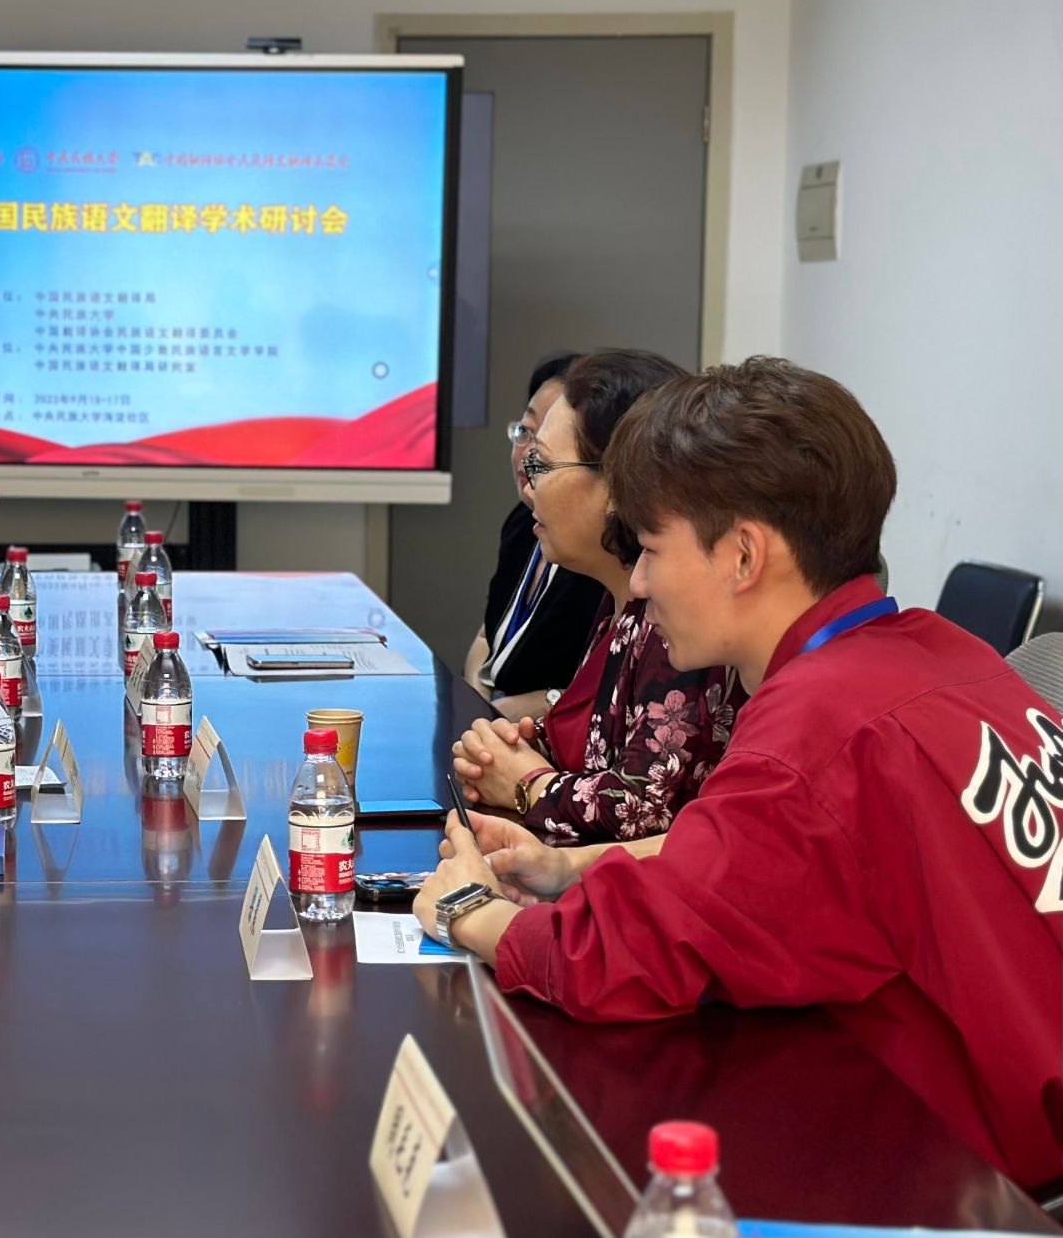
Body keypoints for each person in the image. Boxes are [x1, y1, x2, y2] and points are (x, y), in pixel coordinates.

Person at [415, 358, 1063, 1192]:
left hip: (974, 1178)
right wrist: (573, 868)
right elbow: (750, 865)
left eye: (652, 549)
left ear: (744, 554)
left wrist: (469, 908)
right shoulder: (942, 652)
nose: (639, 581)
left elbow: (618, 953)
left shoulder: (814, 734)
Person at [452, 350, 743, 845]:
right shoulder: (617, 604)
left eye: (544, 463)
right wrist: (503, 752)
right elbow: (594, 752)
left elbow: (647, 812)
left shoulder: (677, 615)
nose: (529, 484)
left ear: (619, 482)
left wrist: (526, 786)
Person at [461, 353, 605, 721]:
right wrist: (478, 707)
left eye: (545, 447)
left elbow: (605, 691)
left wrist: (542, 706)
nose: (528, 456)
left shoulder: (602, 553)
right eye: (524, 432)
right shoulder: (521, 522)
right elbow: (487, 638)